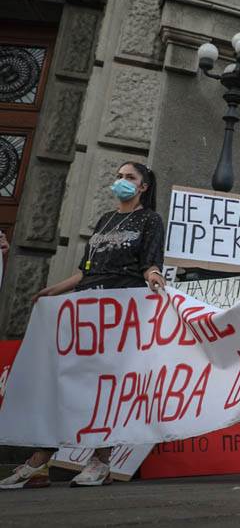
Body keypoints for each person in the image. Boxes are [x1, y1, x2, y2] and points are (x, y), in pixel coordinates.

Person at [0, 162, 166, 490]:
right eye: (118, 176)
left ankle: (100, 461)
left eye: (129, 178)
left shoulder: (150, 220)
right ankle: (40, 462)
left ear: (143, 186)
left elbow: (149, 263)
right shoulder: (105, 220)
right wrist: (53, 290)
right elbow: (85, 270)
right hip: (86, 312)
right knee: (68, 384)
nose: (121, 181)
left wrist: (155, 276)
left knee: (106, 387)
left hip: (119, 314)